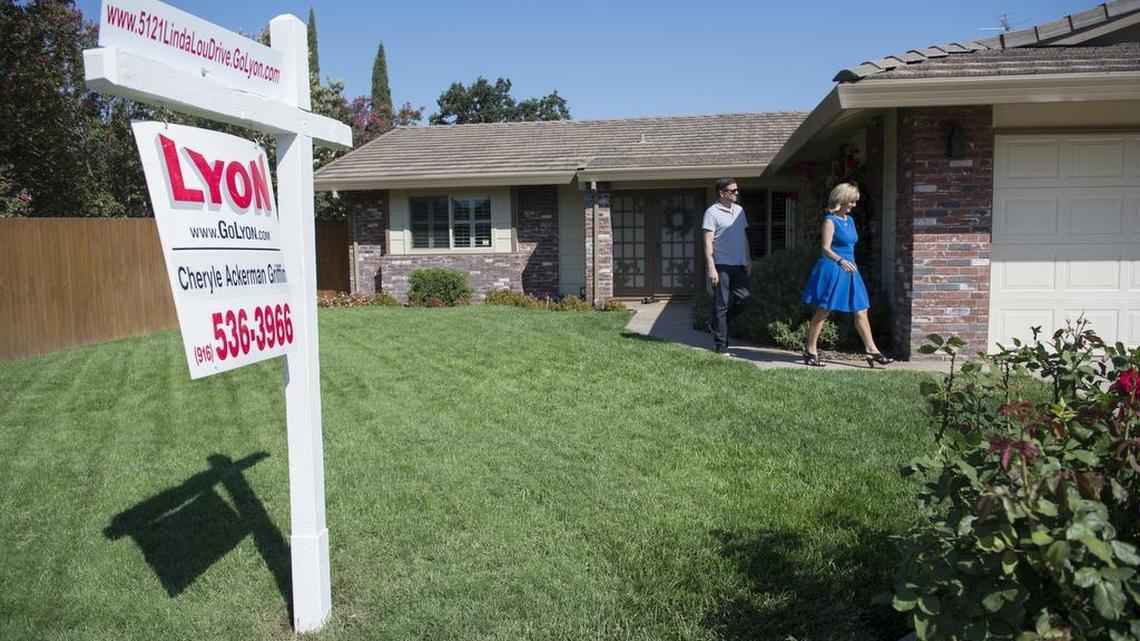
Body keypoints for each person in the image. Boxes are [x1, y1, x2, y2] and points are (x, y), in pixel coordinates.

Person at [801, 182, 892, 368]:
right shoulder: (830, 220)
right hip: (834, 267)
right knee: (824, 309)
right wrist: (841, 261)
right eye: (851, 201)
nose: (854, 205)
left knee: (861, 309)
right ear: (841, 200)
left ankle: (871, 350)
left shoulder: (849, 221)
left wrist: (848, 263)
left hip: (851, 269)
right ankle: (810, 350)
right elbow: (825, 248)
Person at [702, 178, 752, 354]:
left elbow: (743, 237)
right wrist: (711, 268)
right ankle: (721, 345)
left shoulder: (739, 211)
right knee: (720, 305)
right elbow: (708, 242)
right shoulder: (711, 213)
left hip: (739, 264)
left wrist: (748, 259)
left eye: (737, 190)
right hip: (721, 264)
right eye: (733, 191)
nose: (737, 193)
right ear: (722, 193)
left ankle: (716, 324)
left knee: (744, 299)